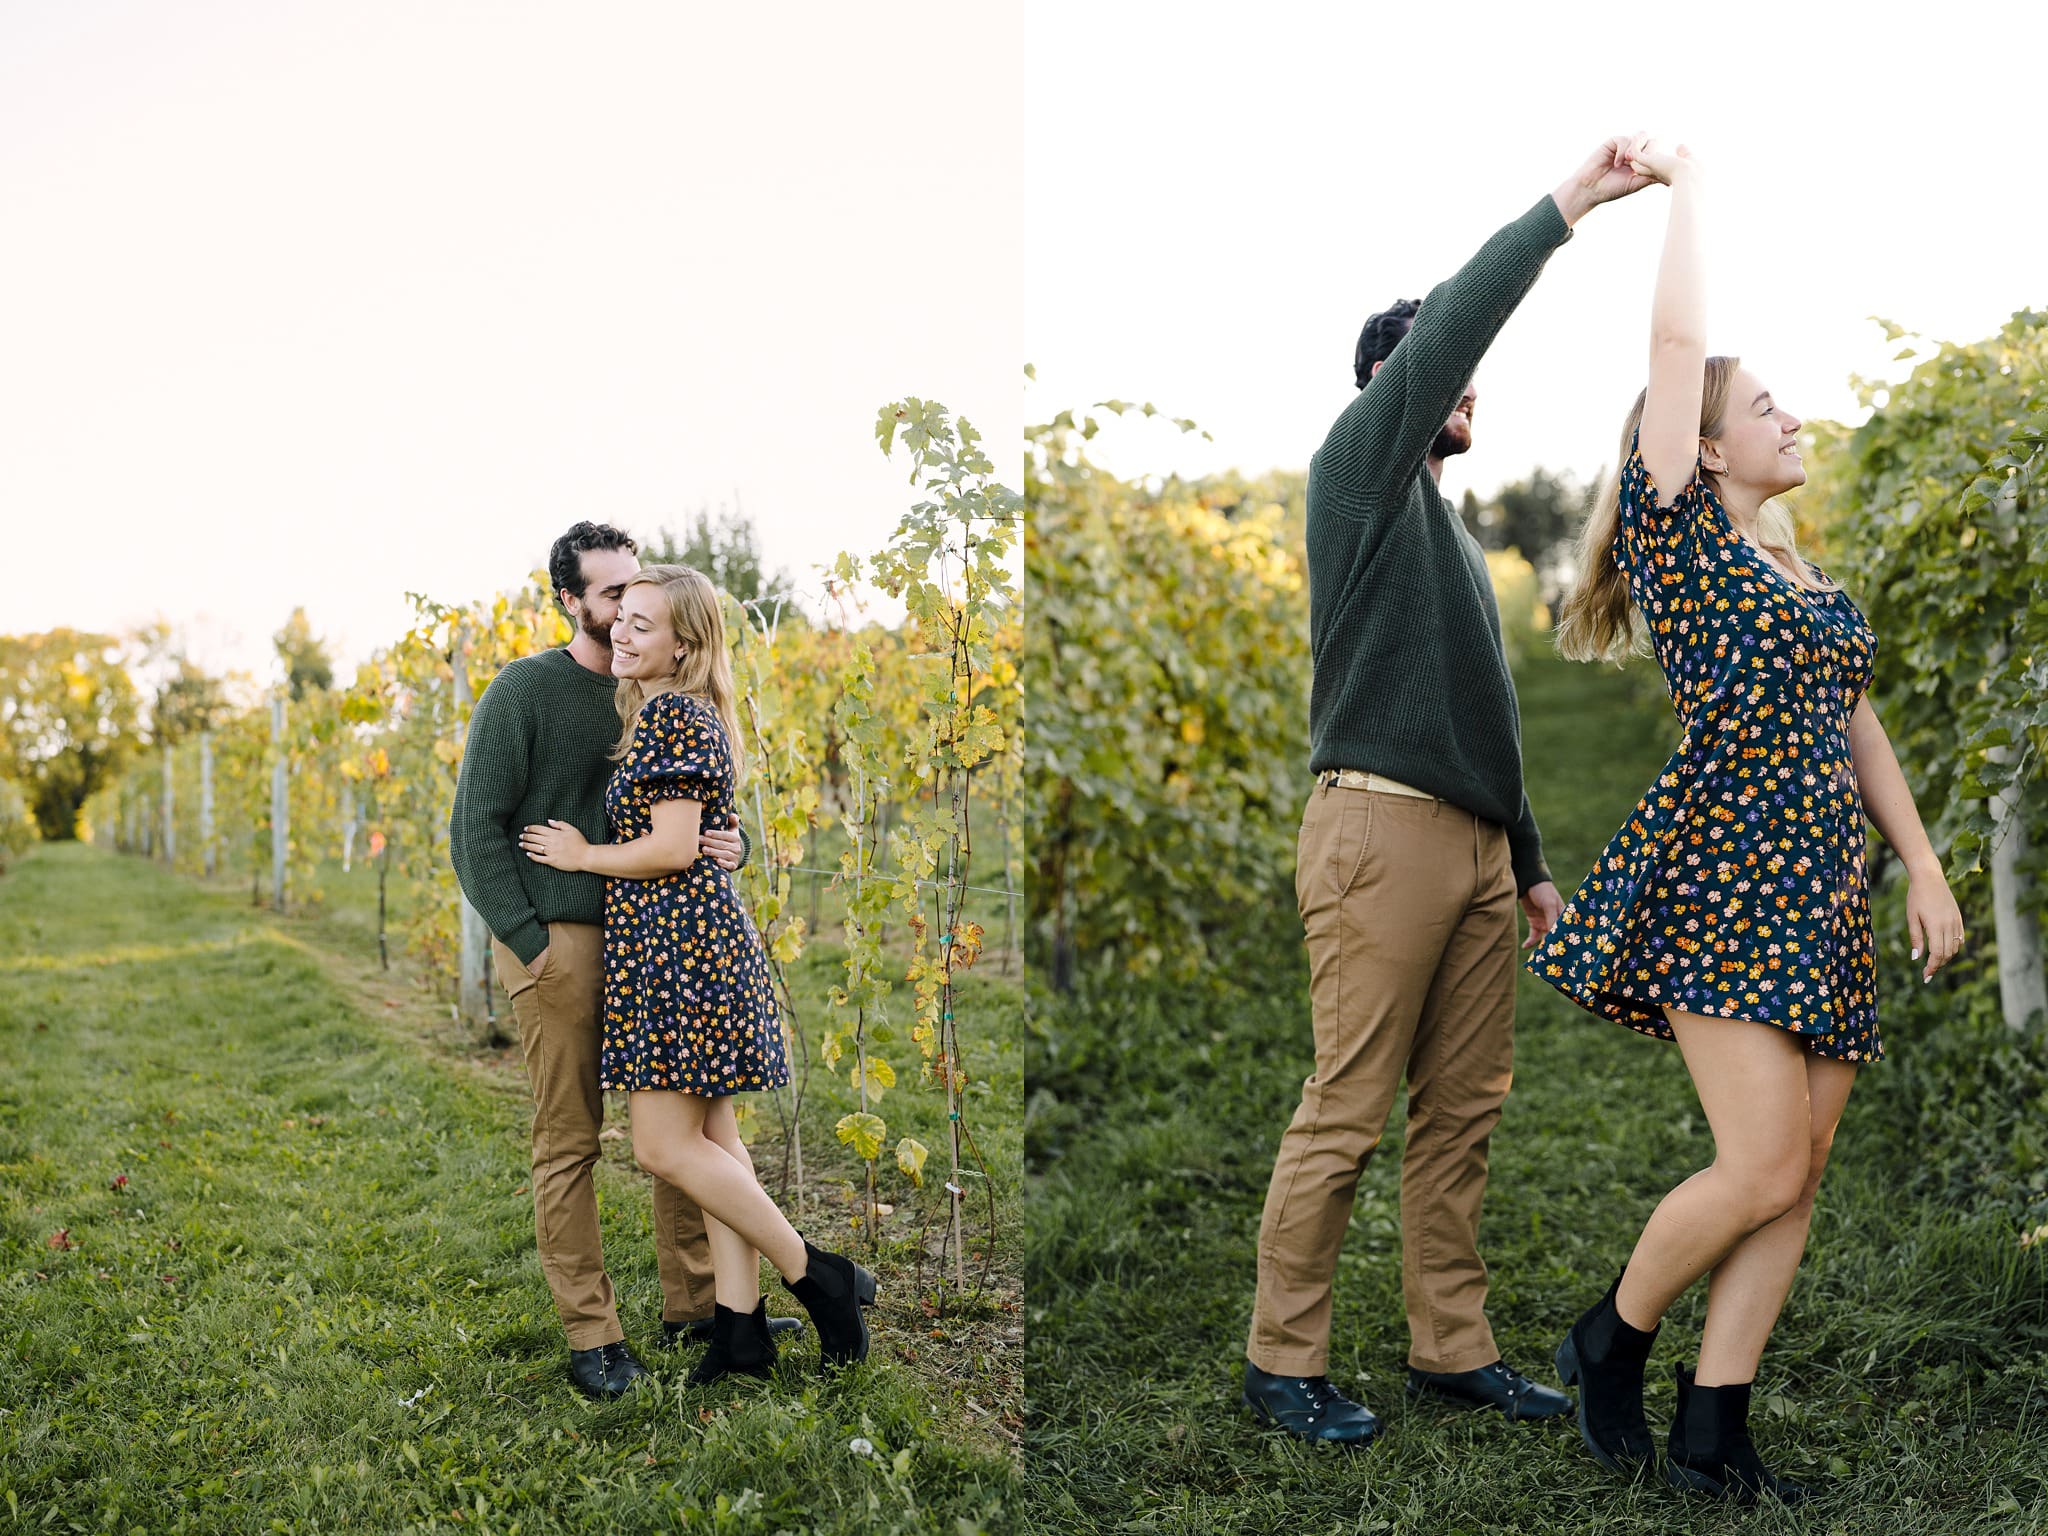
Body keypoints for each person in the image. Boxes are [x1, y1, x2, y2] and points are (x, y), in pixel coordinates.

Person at [1530, 137, 1966, 1504]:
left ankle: (1717, 1431)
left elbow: (1857, 721)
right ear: (1702, 447)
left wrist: (1923, 863)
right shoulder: (1688, 536)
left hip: (1820, 890)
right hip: (1723, 875)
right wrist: (1689, 195)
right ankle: (1613, 1336)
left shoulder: (1797, 566)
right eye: (1765, 406)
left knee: (1803, 1168)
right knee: (1760, 1156)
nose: (1793, 420)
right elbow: (1677, 337)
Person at [1241, 138, 1657, 1448]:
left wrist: (1526, 859)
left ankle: (1450, 1346)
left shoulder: (1451, 536)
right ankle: (1281, 1357)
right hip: (1376, 830)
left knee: (1464, 1110)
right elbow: (1450, 326)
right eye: (1443, 365)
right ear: (1390, 382)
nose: (1470, 381)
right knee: (1350, 1106)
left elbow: (1487, 710)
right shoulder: (1359, 472)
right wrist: (1570, 207)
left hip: (1474, 851)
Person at [450, 520, 792, 1399]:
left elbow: (687, 811)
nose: (625, 610)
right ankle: (594, 1334)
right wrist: (530, 942)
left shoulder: (656, 690)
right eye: (609, 595)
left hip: (661, 943)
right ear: (570, 600)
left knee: (677, 1138)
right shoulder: (525, 690)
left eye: (635, 592)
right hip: (562, 938)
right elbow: (473, 831)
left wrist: (732, 844)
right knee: (571, 1143)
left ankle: (703, 1306)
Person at [519, 564, 878, 1385]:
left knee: (662, 1147)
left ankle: (819, 1275)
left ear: (685, 646)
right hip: (684, 947)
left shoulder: (674, 715)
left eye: (644, 624)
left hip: (681, 955)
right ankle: (741, 1333)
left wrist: (584, 855)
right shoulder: (676, 711)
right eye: (622, 618)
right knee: (716, 1142)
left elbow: (675, 848)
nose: (623, 632)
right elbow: (702, 835)